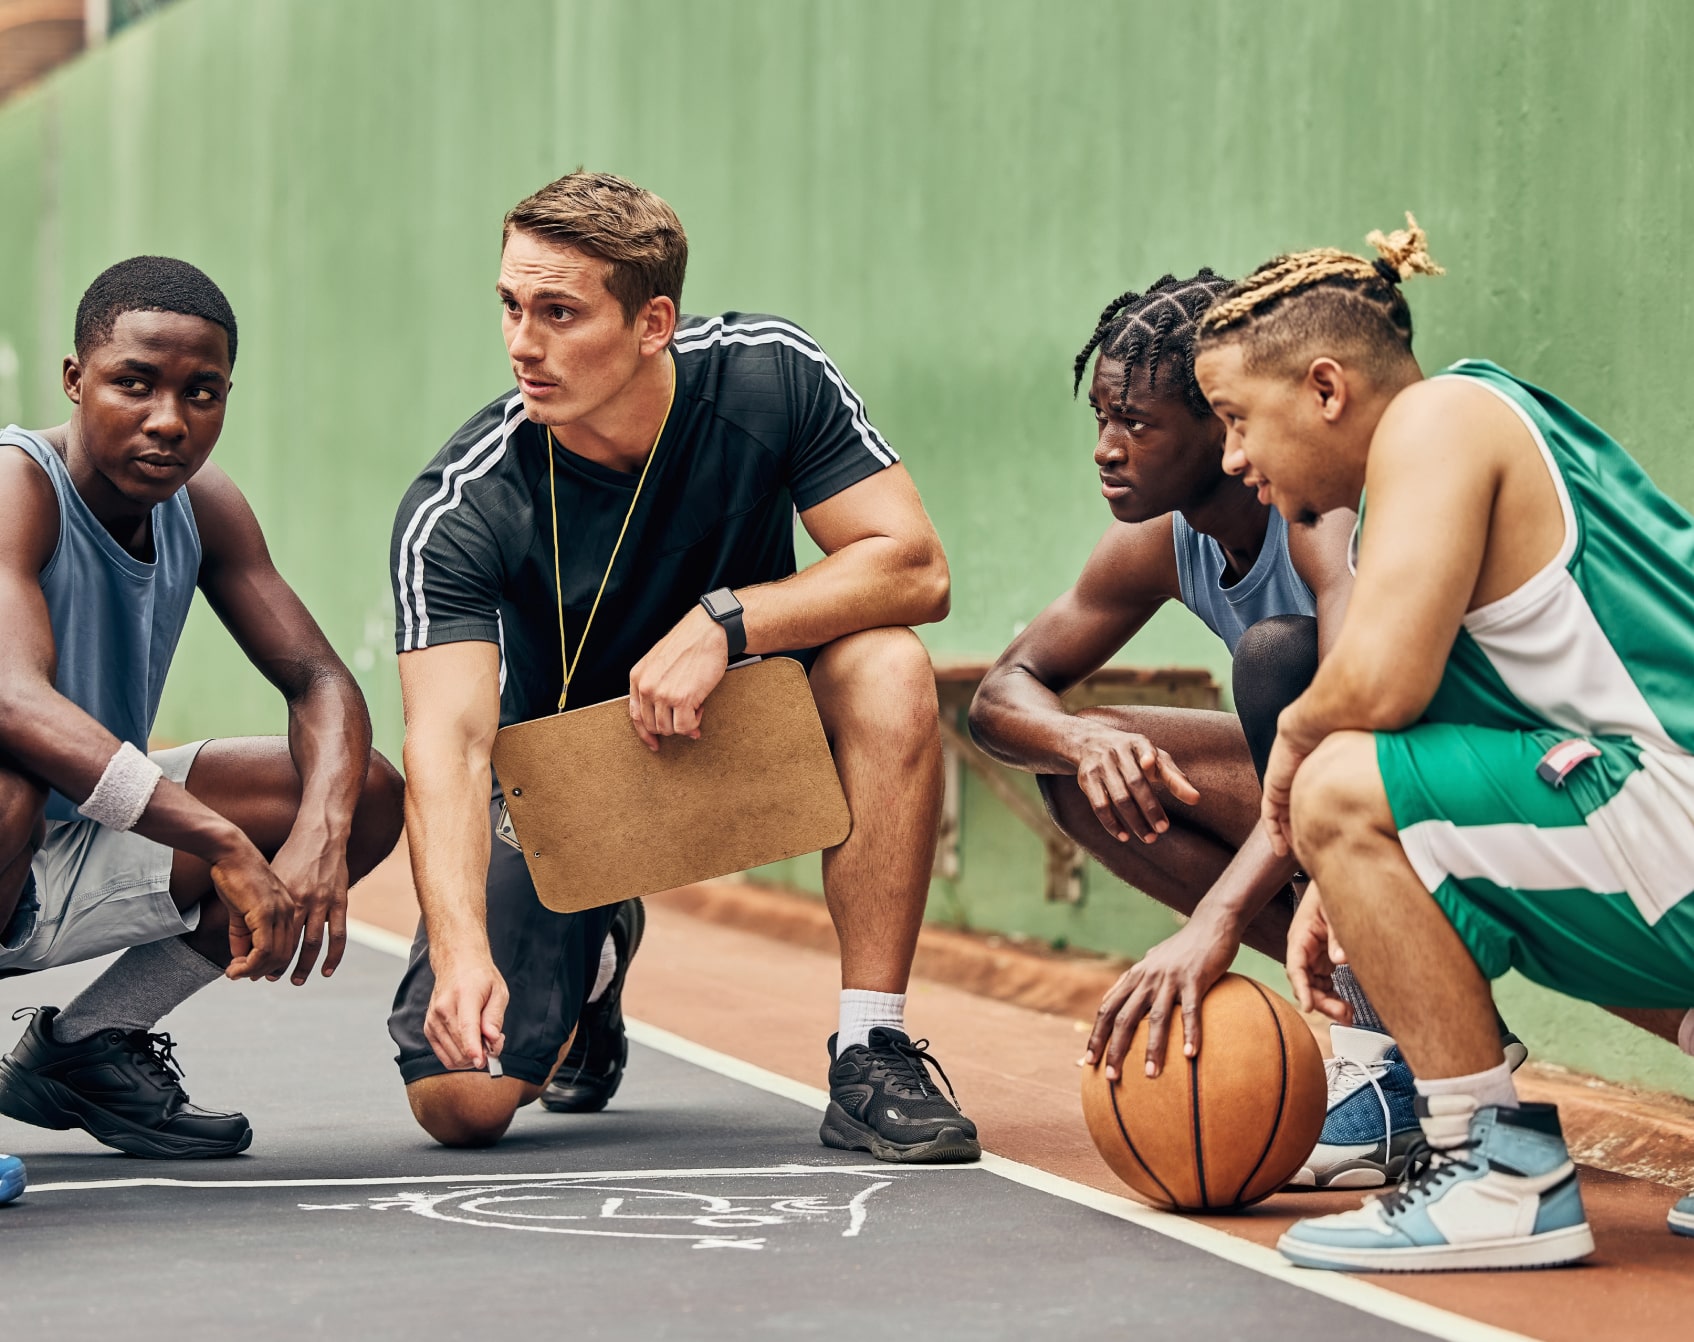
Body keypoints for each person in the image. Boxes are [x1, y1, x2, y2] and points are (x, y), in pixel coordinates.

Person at [389, 171, 976, 1163]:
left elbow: (913, 565)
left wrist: (728, 622)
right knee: (461, 1102)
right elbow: (446, 743)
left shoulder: (767, 375)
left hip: (744, 731)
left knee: (886, 665)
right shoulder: (464, 504)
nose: (523, 342)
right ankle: (593, 958)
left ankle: (871, 1045)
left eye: (559, 312)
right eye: (510, 305)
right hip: (570, 794)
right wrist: (459, 954)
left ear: (651, 321)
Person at [1192, 215, 1694, 1270]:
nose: (1231, 456)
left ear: (1325, 388)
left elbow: (1376, 685)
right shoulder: (1463, 433)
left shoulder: (1433, 422)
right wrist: (1340, 886)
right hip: (1660, 813)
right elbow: (1465, 730)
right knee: (1422, 855)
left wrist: (1293, 773)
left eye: (1236, 418)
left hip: (1671, 804)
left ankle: (1495, 1174)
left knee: (1336, 780)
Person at [969, 272, 1509, 1187]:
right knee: (1081, 767)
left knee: (1276, 661)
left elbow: (1353, 733)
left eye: (1137, 424)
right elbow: (1002, 695)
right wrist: (1082, 744)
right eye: (1101, 418)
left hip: (1449, 787)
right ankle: (1410, 1009)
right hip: (1344, 803)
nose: (1106, 449)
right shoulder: (1163, 538)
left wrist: (1215, 921)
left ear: (1222, 425)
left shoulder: (1319, 514)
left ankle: (1386, 1058)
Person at [0, 257, 404, 1159]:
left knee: (364, 791)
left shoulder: (204, 505)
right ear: (75, 380)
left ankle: (86, 1049)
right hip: (14, 816)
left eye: (202, 392)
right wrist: (221, 841)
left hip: (81, 832)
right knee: (8, 790)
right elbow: (13, 702)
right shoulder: (15, 487)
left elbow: (321, 682)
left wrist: (321, 838)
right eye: (133, 384)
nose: (169, 421)